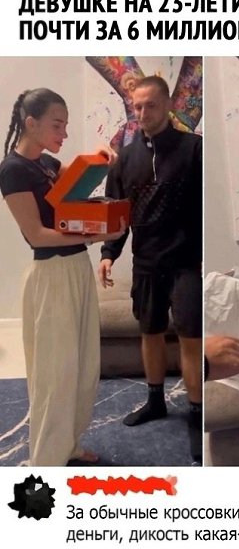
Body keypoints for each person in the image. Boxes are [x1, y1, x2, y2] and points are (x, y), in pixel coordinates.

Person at [0, 88, 126, 467]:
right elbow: (37, 235)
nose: (64, 133)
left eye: (66, 125)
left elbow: (71, 201)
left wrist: (98, 159)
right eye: (57, 125)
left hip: (76, 269)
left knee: (83, 369)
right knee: (54, 375)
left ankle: (67, 444)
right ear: (31, 122)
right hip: (51, 274)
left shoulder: (49, 163)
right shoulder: (12, 170)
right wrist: (96, 236)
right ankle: (46, 462)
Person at [98, 75, 203, 463]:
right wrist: (109, 253)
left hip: (186, 263)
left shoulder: (195, 149)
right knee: (150, 332)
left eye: (150, 105)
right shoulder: (124, 158)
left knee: (191, 337)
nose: (142, 113)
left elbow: (205, 207)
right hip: (145, 262)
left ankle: (197, 411)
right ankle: (155, 401)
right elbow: (116, 213)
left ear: (168, 105)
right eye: (137, 106)